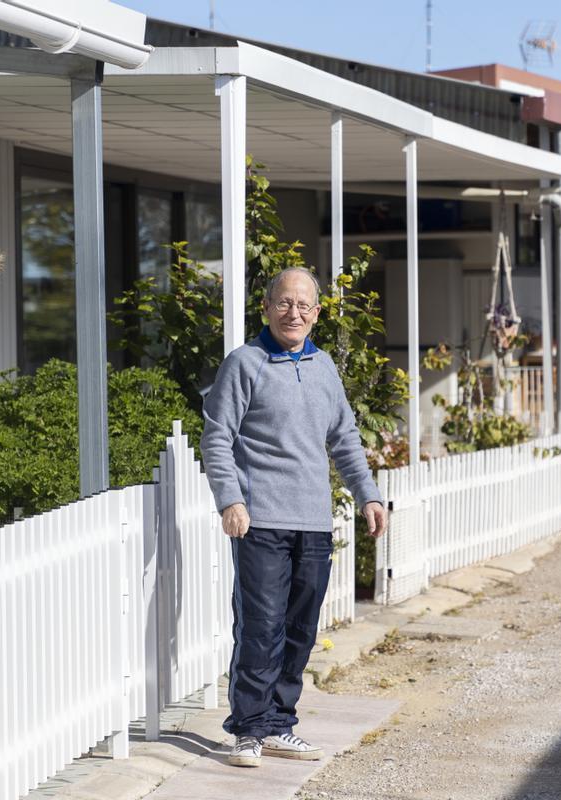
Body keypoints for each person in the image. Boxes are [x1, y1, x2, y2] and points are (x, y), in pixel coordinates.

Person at [201, 266, 388, 768]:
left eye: (304, 305)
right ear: (266, 308)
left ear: (317, 314)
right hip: (259, 520)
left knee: (301, 628)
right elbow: (217, 437)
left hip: (312, 521)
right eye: (285, 303)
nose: (294, 313)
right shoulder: (245, 363)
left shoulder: (325, 367)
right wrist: (230, 500)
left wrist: (368, 495)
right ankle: (248, 729)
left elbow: (345, 438)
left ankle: (280, 723)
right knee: (260, 627)